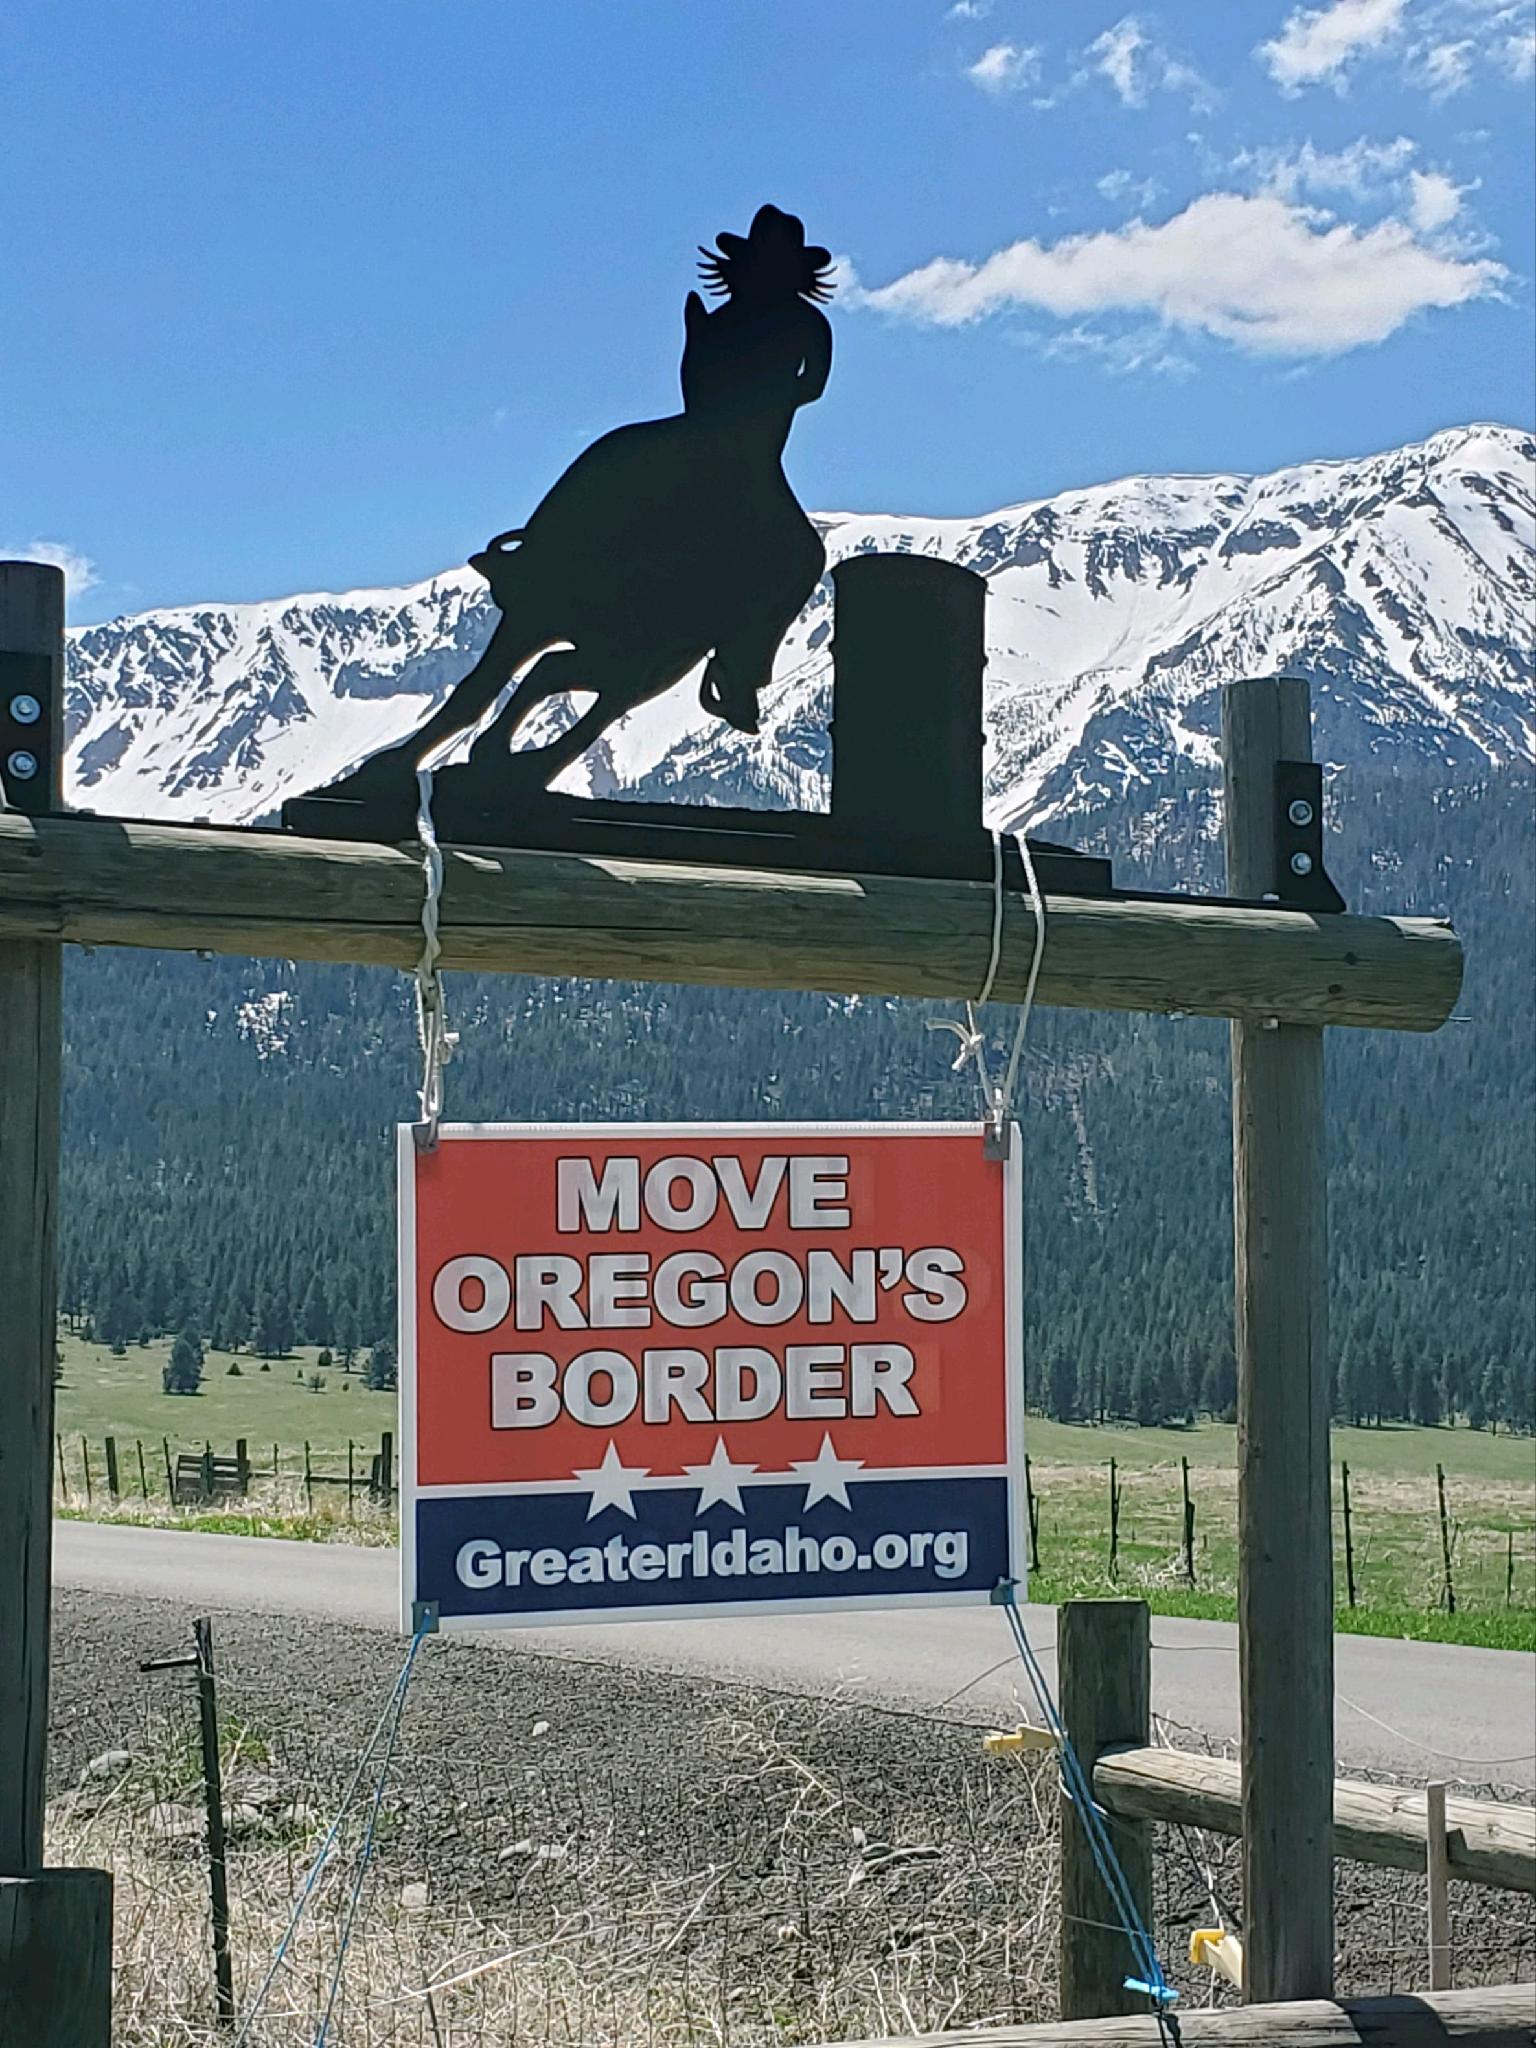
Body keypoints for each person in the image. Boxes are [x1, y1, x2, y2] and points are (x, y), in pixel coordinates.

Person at [295, 206, 834, 824]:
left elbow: (697, 384)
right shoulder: (805, 324)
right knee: (799, 556)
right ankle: (739, 673)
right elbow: (811, 389)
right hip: (747, 466)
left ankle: (533, 557)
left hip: (681, 441)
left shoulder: (716, 320)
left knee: (606, 463)